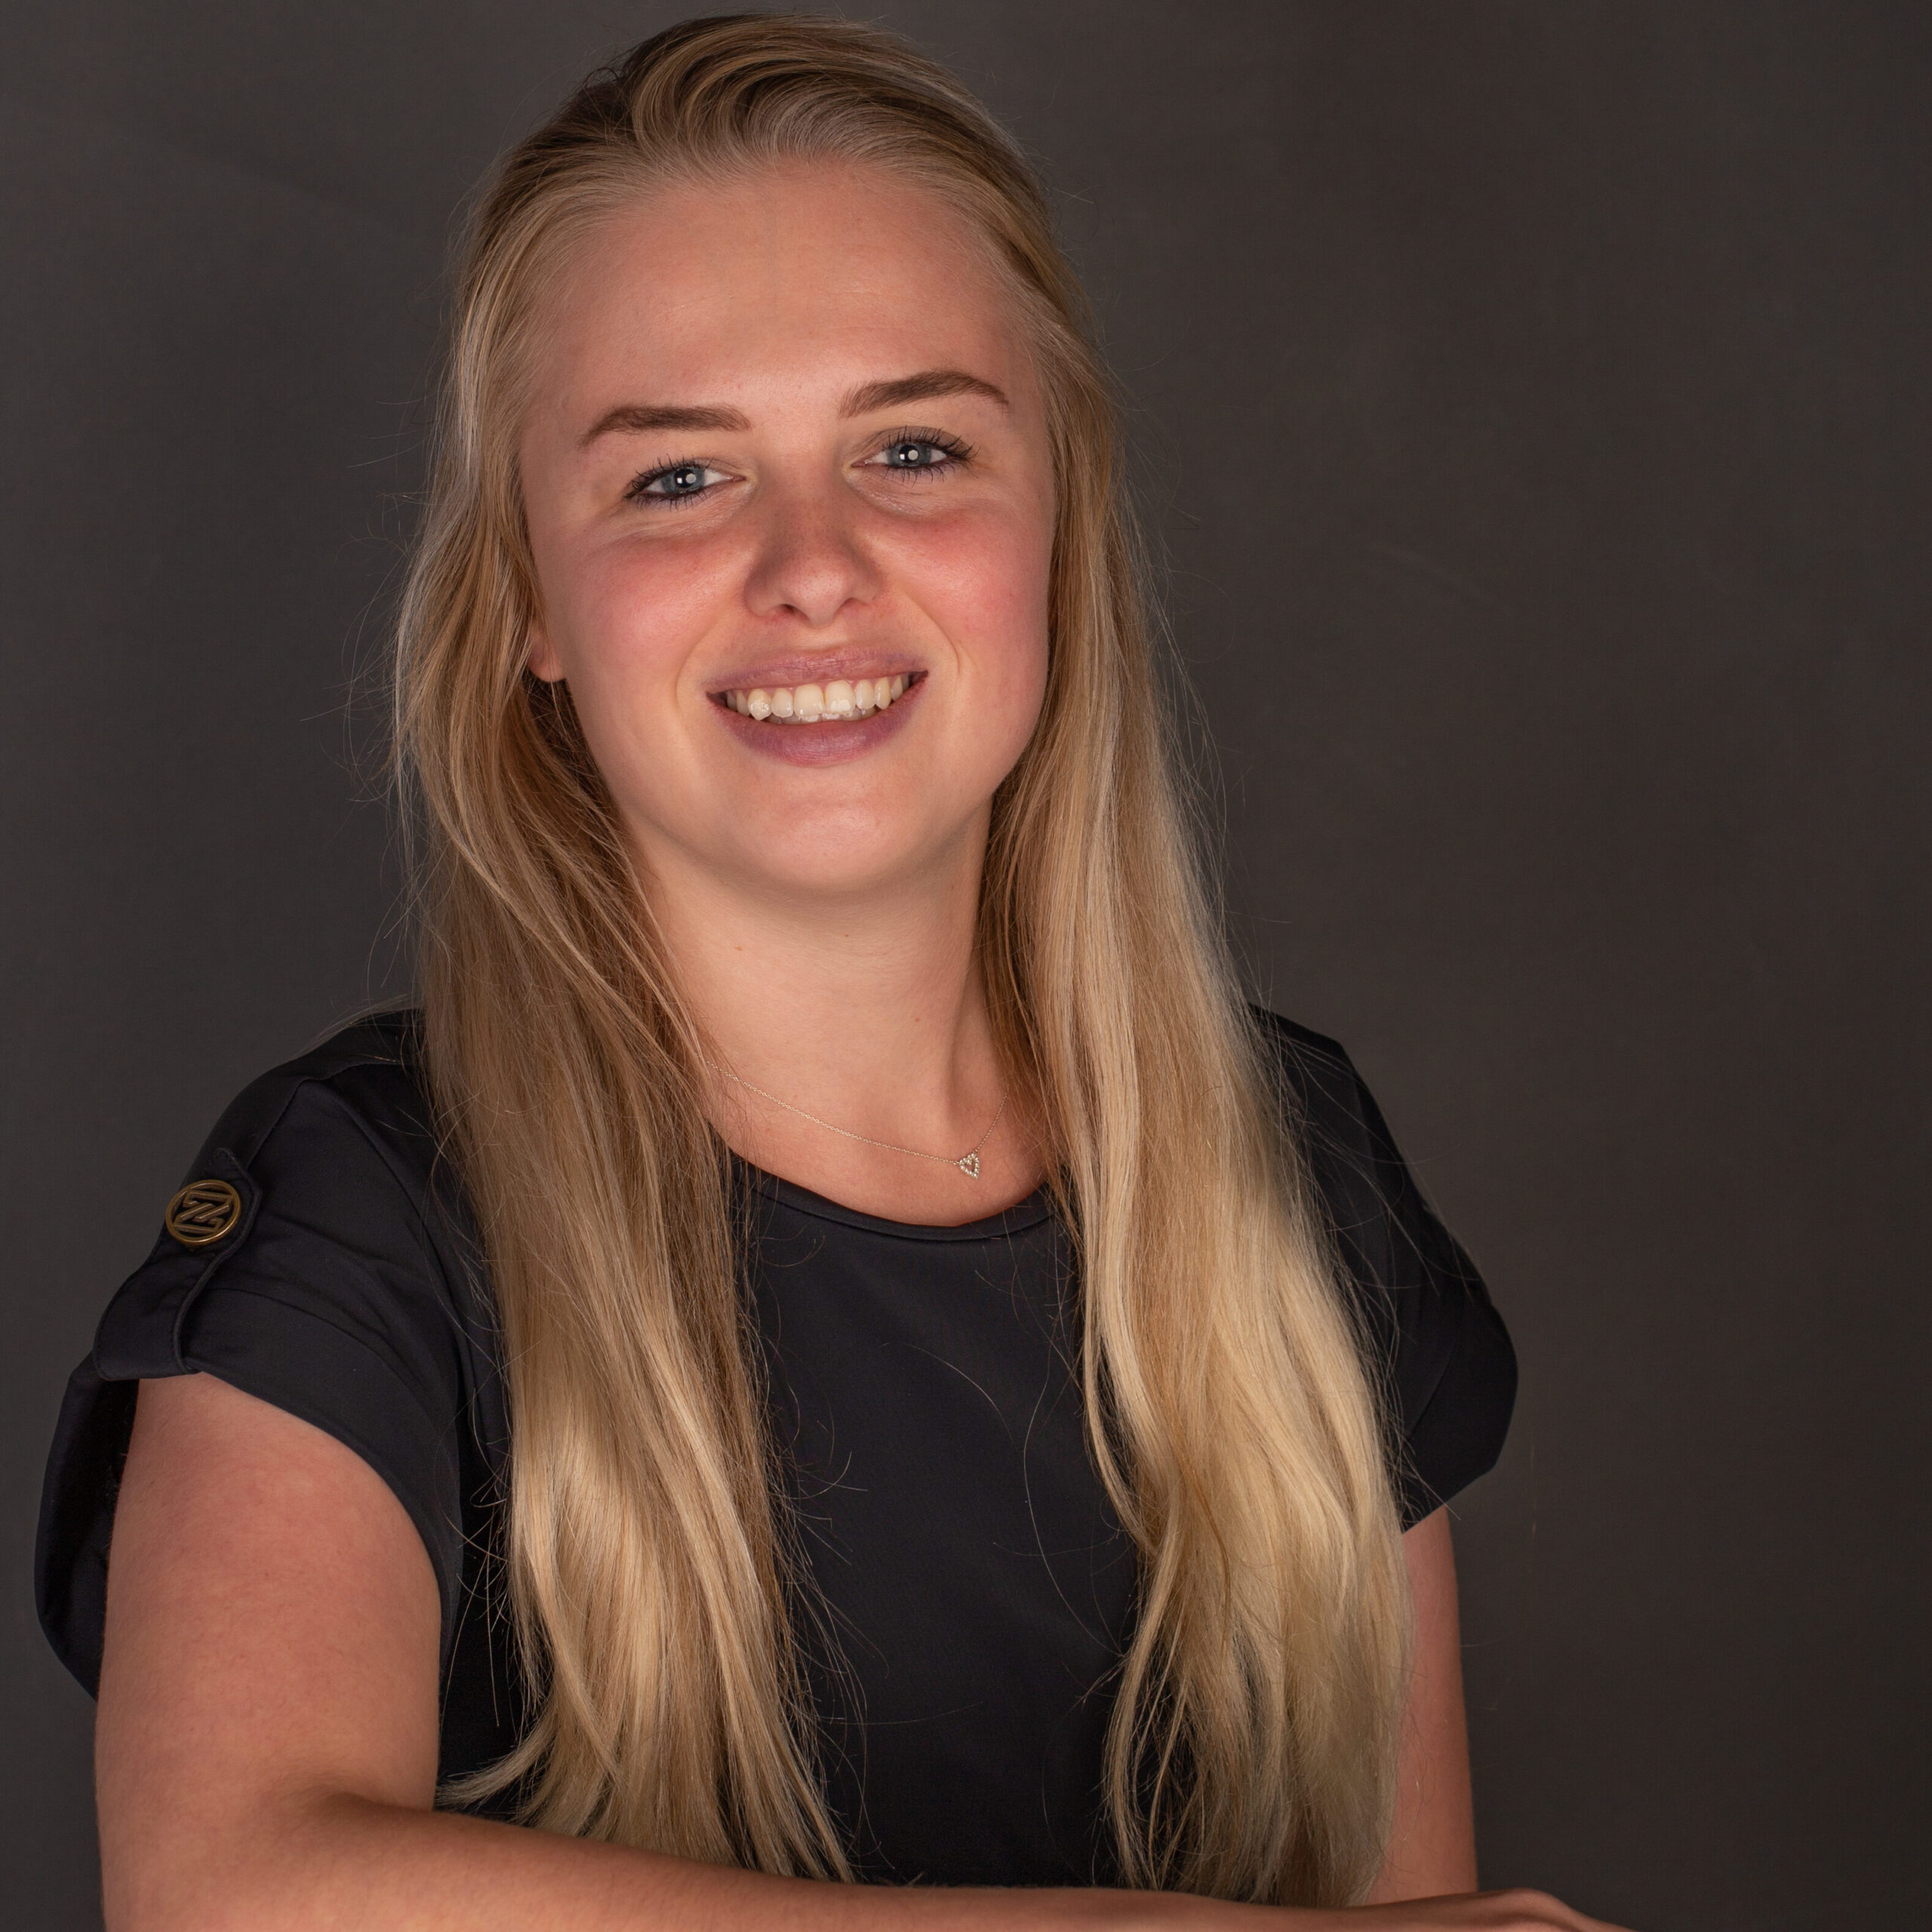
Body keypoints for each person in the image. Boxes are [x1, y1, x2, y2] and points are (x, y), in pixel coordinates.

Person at [36, 15, 1623, 1930]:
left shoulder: (1295, 1167)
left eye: (913, 448)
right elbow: (225, 1886)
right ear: (528, 599)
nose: (813, 564)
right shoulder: (359, 1212)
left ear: (1056, 531)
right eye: (677, 478)